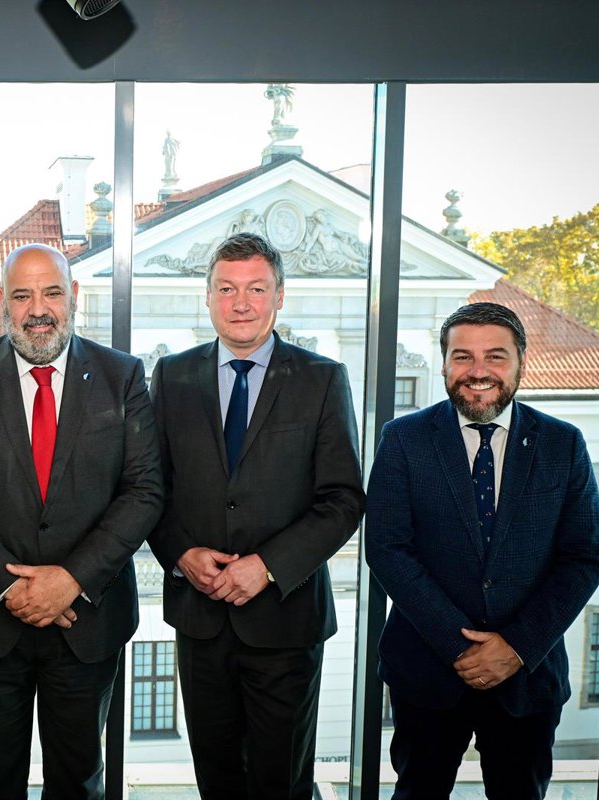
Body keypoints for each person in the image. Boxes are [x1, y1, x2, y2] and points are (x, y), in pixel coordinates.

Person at [0, 242, 163, 799]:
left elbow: (144, 491)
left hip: (87, 622)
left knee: (78, 783)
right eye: (22, 295)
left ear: (73, 295)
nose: (38, 309)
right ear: (2, 301)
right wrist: (9, 586)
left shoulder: (122, 375)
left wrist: (71, 579)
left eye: (51, 292)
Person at [147, 232, 364, 799]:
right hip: (200, 619)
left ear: (279, 297)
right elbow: (150, 488)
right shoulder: (171, 377)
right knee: (217, 781)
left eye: (256, 289)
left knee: (280, 785)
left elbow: (343, 499)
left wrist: (266, 567)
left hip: (286, 622)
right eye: (226, 289)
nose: (240, 303)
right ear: (208, 297)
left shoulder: (322, 379)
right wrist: (181, 554)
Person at [365, 302, 599, 799]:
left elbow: (584, 555)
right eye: (463, 357)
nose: (478, 371)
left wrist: (515, 647)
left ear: (521, 362)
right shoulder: (403, 440)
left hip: (528, 676)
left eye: (495, 356)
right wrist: (461, 648)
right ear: (444, 365)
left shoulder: (563, 444)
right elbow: (388, 549)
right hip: (427, 672)